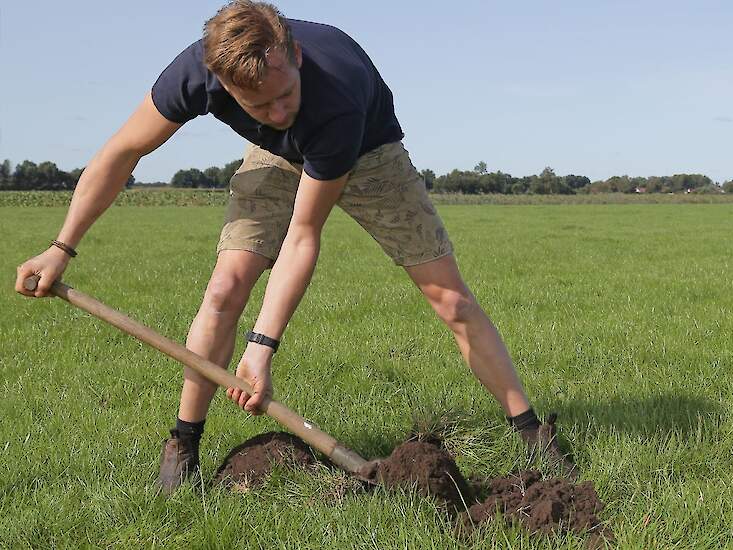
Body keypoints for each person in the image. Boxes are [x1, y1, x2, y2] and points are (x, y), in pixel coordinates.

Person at [14, 0, 573, 494]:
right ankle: (183, 445)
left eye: (284, 96)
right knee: (225, 286)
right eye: (259, 107)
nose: (280, 113)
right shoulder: (195, 73)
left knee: (450, 300)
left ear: (296, 56)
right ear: (224, 86)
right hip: (273, 159)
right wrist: (61, 246)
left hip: (367, 153)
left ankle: (530, 432)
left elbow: (305, 235)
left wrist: (262, 347)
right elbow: (120, 153)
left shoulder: (334, 99)